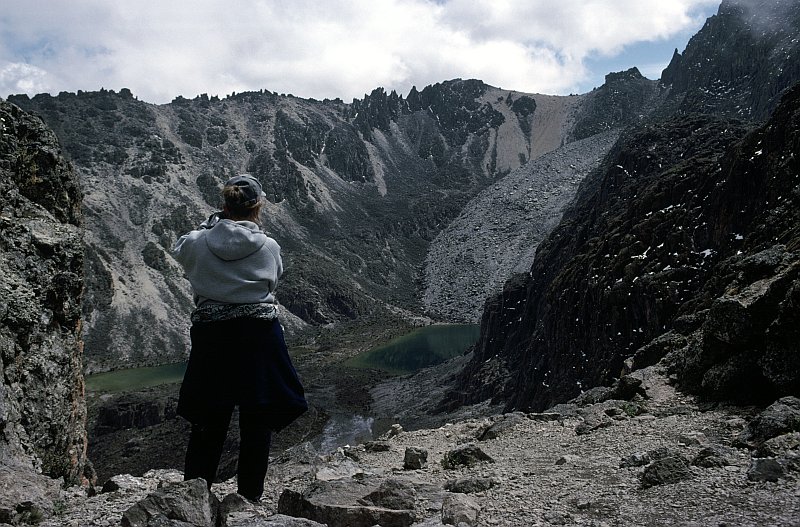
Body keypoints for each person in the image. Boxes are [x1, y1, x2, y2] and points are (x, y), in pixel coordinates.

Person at [172, 173, 307, 501]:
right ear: (258, 206)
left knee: (208, 418)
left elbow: (179, 249)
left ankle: (195, 500)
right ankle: (248, 499)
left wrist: (209, 225)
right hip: (259, 337)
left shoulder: (196, 242)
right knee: (257, 419)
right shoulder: (269, 246)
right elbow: (273, 280)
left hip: (212, 338)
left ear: (224, 205)